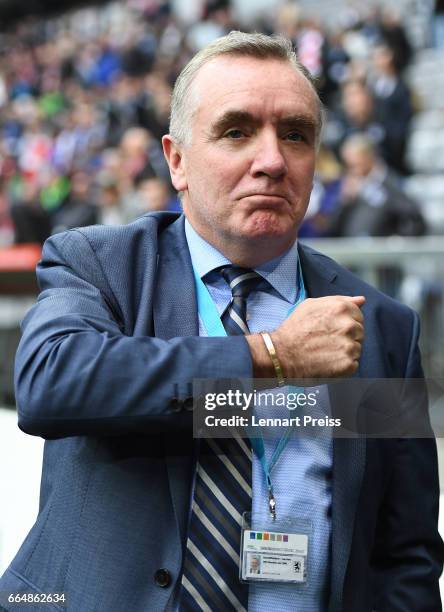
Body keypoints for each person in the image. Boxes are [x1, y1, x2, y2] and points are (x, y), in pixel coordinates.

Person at [0, 32, 442, 612]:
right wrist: (270, 355)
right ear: (177, 160)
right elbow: (50, 383)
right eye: (236, 132)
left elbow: (403, 552)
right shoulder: (101, 264)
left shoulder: (378, 326)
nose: (272, 160)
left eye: (295, 134)